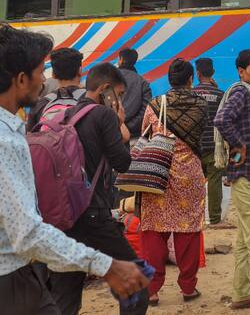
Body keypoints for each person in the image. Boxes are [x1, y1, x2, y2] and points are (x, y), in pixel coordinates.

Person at [0, 25, 148, 315]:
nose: (44, 80)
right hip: (14, 278)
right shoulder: (6, 140)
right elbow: (26, 233)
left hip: (56, 222)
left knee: (65, 295)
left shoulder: (42, 110)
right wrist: (106, 265)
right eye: (40, 71)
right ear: (20, 79)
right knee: (136, 286)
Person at [47, 62, 149, 315]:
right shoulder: (102, 115)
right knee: (135, 282)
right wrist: (119, 123)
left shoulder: (64, 114)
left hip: (65, 214)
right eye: (120, 94)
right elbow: (122, 163)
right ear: (105, 90)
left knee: (66, 291)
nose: (121, 100)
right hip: (93, 214)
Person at [140, 59, 207, 306]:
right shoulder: (200, 105)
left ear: (169, 79)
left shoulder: (155, 104)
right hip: (190, 174)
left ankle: (152, 291)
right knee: (188, 231)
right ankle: (188, 287)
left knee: (154, 231)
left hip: (159, 173)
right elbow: (201, 136)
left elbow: (145, 134)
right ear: (191, 79)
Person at [214, 49, 250, 314]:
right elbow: (222, 119)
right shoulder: (241, 92)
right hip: (249, 176)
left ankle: (241, 294)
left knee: (247, 241)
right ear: (241, 70)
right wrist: (238, 144)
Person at [192, 58, 227, 228]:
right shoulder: (220, 94)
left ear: (197, 73)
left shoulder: (191, 94)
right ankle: (214, 218)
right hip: (214, 146)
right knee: (214, 181)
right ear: (212, 73)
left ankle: (196, 219)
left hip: (195, 147)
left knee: (195, 183)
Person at [27, 47, 85, 131]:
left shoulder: (39, 105)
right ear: (80, 71)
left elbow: (31, 138)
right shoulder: (93, 100)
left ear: (53, 74)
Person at [118, 49, 152, 142]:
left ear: (120, 60)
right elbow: (145, 111)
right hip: (134, 138)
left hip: (111, 135)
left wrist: (118, 126)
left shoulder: (108, 79)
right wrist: (128, 127)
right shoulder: (143, 82)